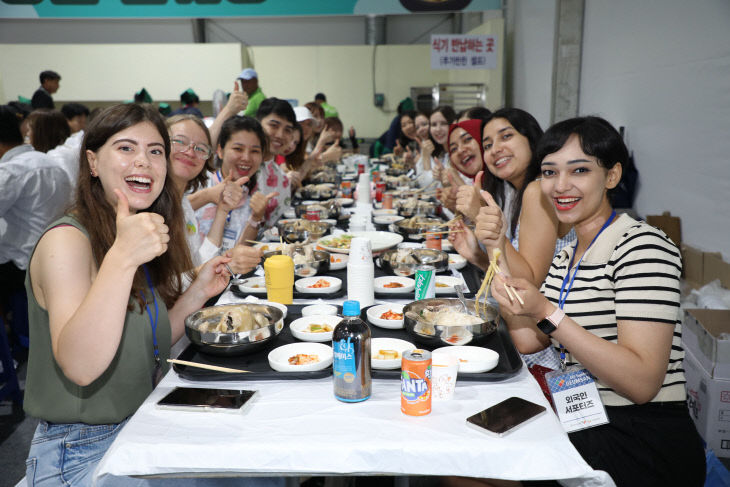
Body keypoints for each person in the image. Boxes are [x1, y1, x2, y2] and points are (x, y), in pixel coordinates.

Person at [489, 116, 705, 486]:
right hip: (584, 416)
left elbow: (641, 382)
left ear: (612, 176)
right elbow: (529, 340)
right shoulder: (568, 253)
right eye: (549, 172)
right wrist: (495, 247)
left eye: (579, 170)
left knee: (474, 471)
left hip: (639, 440)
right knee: (471, 448)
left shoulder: (643, 246)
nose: (561, 186)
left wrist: (546, 311)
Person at [191, 116, 272, 254]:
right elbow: (171, 213)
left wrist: (256, 218)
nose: (246, 158)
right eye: (238, 149)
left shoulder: (250, 195)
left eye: (254, 151)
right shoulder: (197, 182)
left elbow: (238, 253)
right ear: (220, 151)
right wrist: (208, 196)